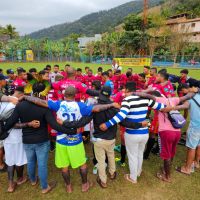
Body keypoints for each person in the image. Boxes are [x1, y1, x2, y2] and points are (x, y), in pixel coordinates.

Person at [22, 85, 119, 193]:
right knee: (82, 164)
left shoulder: (58, 104)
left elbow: (39, 102)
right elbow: (97, 108)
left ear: (64, 94)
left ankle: (68, 186)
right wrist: (111, 104)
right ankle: (84, 184)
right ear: (75, 95)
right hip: (75, 140)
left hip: (61, 140)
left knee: (64, 166)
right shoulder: (80, 105)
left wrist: (26, 97)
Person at [3, 82, 79, 194]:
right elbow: (54, 125)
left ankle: (33, 180)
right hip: (42, 140)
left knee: (31, 161)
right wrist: (70, 131)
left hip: (27, 140)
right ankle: (44, 187)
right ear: (44, 93)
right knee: (42, 164)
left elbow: (9, 123)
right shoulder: (44, 106)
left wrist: (23, 124)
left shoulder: (21, 105)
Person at [99, 82, 167, 184]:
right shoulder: (145, 99)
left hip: (132, 134)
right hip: (144, 133)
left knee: (132, 156)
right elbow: (162, 106)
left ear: (126, 90)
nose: (123, 92)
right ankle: (138, 172)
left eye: (123, 90)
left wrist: (107, 124)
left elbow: (121, 115)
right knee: (139, 153)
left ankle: (133, 177)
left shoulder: (127, 100)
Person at [0, 86, 39, 192]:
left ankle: (10, 184)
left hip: (5, 136)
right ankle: (20, 178)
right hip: (16, 136)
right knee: (19, 160)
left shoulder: (3, 99)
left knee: (10, 160)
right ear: (21, 94)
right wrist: (29, 124)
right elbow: (14, 124)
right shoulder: (18, 103)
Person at [172, 88, 200, 175]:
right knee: (198, 144)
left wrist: (171, 108)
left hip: (195, 127)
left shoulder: (191, 99)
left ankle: (187, 168)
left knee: (191, 147)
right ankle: (196, 163)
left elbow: (183, 106)